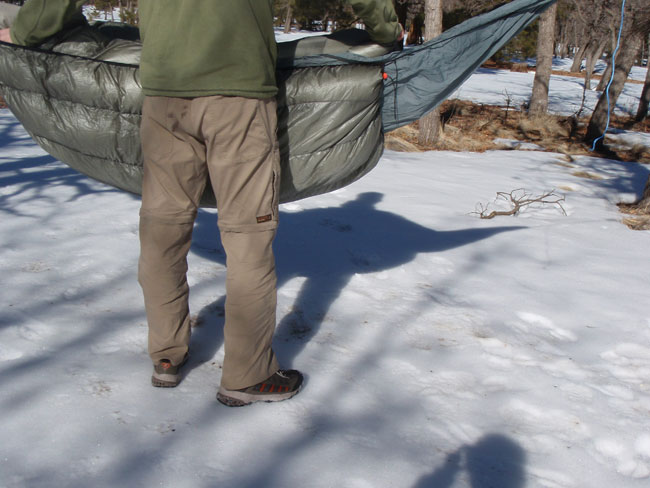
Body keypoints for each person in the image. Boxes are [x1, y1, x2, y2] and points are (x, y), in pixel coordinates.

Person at [1, 0, 402, 407]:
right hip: (240, 98)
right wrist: (386, 31)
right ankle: (247, 375)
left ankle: (166, 356)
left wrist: (25, 33)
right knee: (248, 237)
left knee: (163, 227)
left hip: (165, 95)